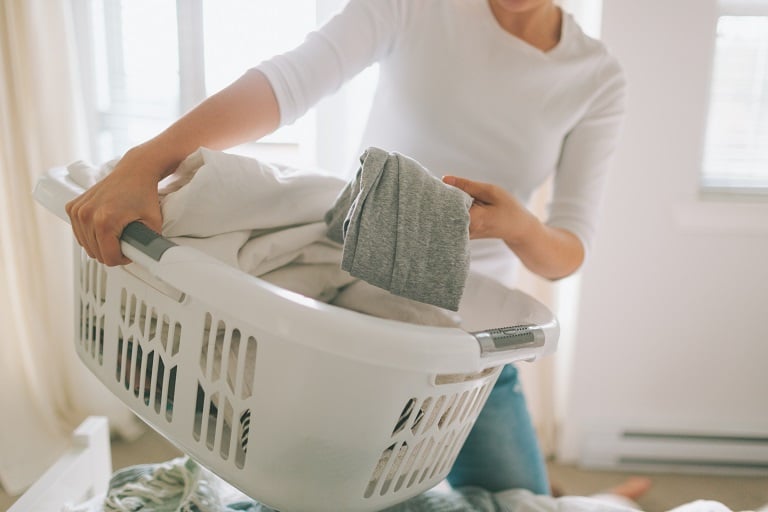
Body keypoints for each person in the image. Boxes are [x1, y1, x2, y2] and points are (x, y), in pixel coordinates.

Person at [65, 0, 626, 497]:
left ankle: (599, 497)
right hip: (351, 316)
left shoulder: (595, 77)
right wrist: (147, 160)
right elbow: (289, 81)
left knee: (524, 500)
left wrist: (521, 227)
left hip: (470, 347)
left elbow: (567, 252)